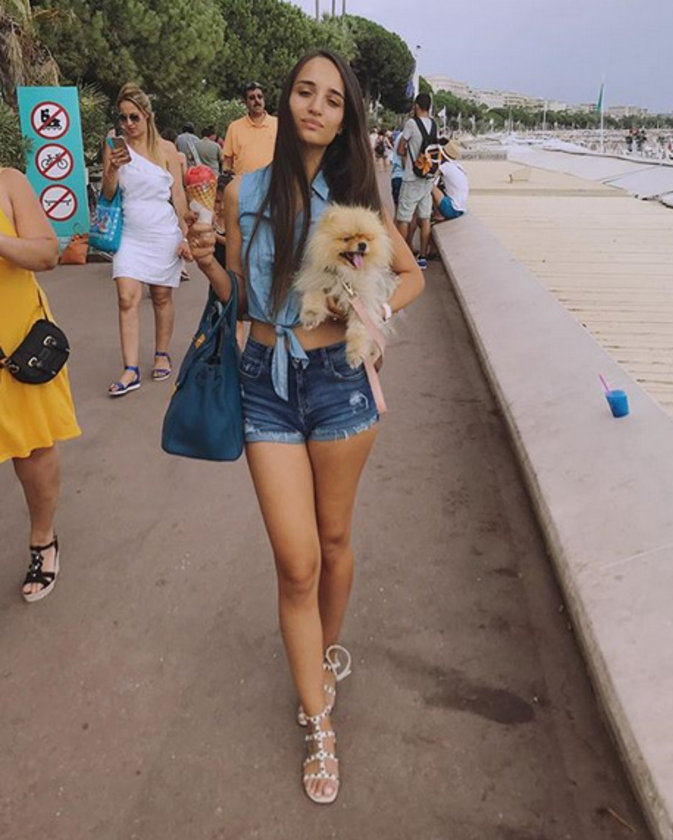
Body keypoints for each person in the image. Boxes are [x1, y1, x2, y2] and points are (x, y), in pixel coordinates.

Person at [188, 49, 424, 805]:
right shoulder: (245, 191)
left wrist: (370, 310)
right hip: (264, 381)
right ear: (285, 101)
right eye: (303, 92)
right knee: (296, 564)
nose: (315, 106)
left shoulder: (356, 197)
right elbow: (237, 296)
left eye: (331, 98)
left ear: (347, 115)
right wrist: (206, 264)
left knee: (332, 539)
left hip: (340, 385)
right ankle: (319, 721)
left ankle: (322, 654)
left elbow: (410, 275)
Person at [0, 167, 81, 601]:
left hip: (15, 350)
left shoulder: (7, 182)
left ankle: (42, 540)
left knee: (32, 448)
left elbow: (47, 253)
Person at [103, 83, 192, 395]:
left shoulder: (167, 150)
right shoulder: (115, 148)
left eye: (134, 117)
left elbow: (178, 195)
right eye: (123, 117)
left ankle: (161, 353)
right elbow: (108, 193)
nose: (128, 124)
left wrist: (185, 236)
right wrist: (113, 168)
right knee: (126, 297)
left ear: (148, 116)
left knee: (161, 296)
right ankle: (130, 369)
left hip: (163, 231)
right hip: (130, 231)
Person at [395, 93, 438, 270]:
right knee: (425, 217)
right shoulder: (434, 124)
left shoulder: (411, 124)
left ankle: (402, 255)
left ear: (417, 105)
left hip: (412, 177)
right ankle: (423, 257)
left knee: (404, 218)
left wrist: (408, 155)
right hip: (427, 178)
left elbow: (400, 149)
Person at [222, 82, 277, 176]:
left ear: (264, 99)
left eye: (260, 97)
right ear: (245, 102)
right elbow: (227, 161)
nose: (257, 101)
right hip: (243, 183)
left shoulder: (278, 125)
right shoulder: (234, 127)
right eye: (252, 98)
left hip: (272, 182)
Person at [432, 141, 468, 221]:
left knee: (430, 186)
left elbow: (432, 180)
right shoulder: (458, 167)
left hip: (453, 210)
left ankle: (438, 215)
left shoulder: (445, 167)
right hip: (461, 209)